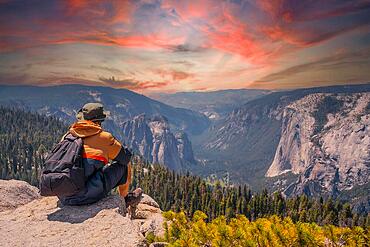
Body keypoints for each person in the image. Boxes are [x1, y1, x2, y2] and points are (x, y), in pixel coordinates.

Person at [58, 102, 142, 215]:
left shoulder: (67, 136)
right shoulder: (104, 138)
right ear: (99, 121)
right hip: (82, 196)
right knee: (124, 165)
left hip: (62, 194)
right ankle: (125, 200)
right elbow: (125, 157)